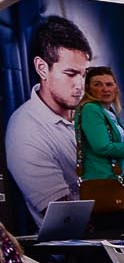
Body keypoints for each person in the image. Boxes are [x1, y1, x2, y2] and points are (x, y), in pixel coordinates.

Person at [7, 16, 92, 227]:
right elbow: (66, 219)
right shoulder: (25, 130)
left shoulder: (89, 114)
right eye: (71, 73)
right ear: (42, 68)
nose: (80, 85)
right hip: (78, 255)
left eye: (83, 74)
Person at [77, 67, 124, 183]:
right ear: (88, 88)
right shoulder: (91, 109)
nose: (105, 89)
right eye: (97, 85)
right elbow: (102, 147)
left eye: (109, 84)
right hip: (104, 179)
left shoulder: (110, 112)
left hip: (120, 176)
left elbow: (111, 143)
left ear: (116, 88)